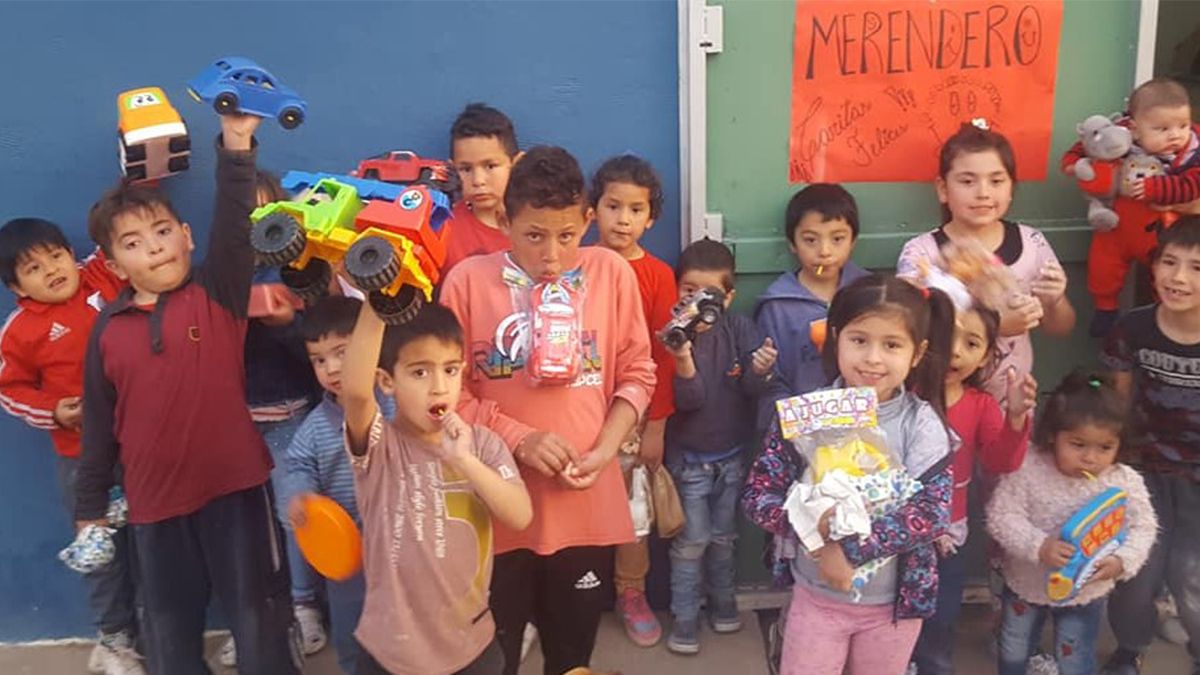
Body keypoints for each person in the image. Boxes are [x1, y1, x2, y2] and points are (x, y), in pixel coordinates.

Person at [73, 113, 302, 674]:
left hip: (237, 494)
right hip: (154, 508)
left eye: (162, 232)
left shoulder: (218, 292)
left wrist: (238, 141)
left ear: (187, 236)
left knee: (258, 619)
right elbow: (100, 425)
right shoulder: (108, 330)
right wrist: (88, 511)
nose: (154, 248)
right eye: (133, 242)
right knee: (171, 634)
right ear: (112, 263)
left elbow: (235, 218)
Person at [439, 145, 656, 674]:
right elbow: (450, 397)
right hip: (496, 507)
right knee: (496, 652)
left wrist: (606, 449)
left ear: (586, 220)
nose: (552, 255)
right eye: (534, 235)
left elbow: (637, 372)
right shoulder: (468, 283)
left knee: (571, 652)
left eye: (566, 235)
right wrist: (519, 438)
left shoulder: (609, 275)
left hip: (583, 503)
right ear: (506, 223)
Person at [742, 274, 956, 675]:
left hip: (893, 606)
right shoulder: (806, 415)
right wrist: (811, 527)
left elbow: (931, 512)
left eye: (891, 345)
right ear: (835, 338)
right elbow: (758, 495)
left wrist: (850, 550)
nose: (873, 358)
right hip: (816, 598)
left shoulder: (921, 426)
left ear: (917, 352)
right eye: (859, 340)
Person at [340, 297, 532, 674]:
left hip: (471, 646)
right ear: (387, 381)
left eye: (449, 370)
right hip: (391, 652)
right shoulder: (381, 446)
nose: (438, 387)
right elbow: (356, 394)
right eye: (419, 372)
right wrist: (376, 300)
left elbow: (520, 514)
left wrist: (464, 460)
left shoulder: (482, 444)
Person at [0, 218, 139, 674]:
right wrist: (55, 411)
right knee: (102, 554)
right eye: (33, 268)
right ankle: (115, 641)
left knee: (158, 541)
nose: (52, 269)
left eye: (56, 256)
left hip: (144, 445)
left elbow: (123, 224)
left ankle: (165, 627)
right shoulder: (20, 331)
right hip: (81, 459)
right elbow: (10, 389)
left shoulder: (100, 275)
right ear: (15, 286)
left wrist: (145, 162)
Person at [221, 171, 324, 668]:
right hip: (234, 425)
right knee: (243, 526)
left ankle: (303, 606)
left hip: (290, 420)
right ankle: (254, 620)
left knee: (294, 516)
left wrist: (288, 325)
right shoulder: (215, 280)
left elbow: (321, 358)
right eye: (244, 216)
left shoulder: (299, 274)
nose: (254, 227)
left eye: (266, 216)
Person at [987, 372, 1157, 675]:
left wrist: (1122, 561)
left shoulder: (1123, 481)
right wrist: (1038, 546)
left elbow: (1144, 527)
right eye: (1078, 444)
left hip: (1085, 592)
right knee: (1013, 648)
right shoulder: (1027, 467)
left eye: (1104, 447)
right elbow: (1001, 515)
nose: (1090, 458)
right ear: (1054, 435)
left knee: (1075, 658)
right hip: (1027, 584)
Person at [897, 122, 1076, 403]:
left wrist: (1053, 301)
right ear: (943, 189)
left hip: (1010, 401)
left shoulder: (1032, 243)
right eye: (967, 181)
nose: (983, 192)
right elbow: (908, 323)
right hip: (941, 401)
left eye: (996, 181)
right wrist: (998, 325)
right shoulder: (923, 252)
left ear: (1011, 188)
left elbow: (1060, 328)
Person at [662, 239, 777, 654]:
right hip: (689, 457)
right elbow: (688, 402)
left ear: (728, 297)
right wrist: (683, 359)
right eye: (688, 291)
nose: (697, 301)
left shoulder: (740, 328)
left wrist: (759, 370)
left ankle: (724, 605)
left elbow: (748, 388)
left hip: (730, 455)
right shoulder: (674, 334)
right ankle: (686, 616)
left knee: (724, 536)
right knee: (692, 541)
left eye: (708, 294)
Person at [910, 304, 1036, 674]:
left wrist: (1015, 418)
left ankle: (932, 666)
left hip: (948, 532)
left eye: (971, 343)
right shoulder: (903, 395)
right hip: (895, 530)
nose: (956, 352)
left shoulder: (980, 406)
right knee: (892, 613)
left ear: (985, 358)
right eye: (946, 338)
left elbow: (1001, 462)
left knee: (941, 615)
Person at [1100, 217, 1200, 675]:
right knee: (1136, 570)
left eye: (1196, 267)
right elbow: (1117, 401)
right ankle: (1130, 649)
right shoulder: (1134, 327)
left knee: (1191, 574)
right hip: (1146, 470)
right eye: (1170, 262)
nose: (1178, 278)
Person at [589, 153, 675, 647]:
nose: (623, 219)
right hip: (578, 412)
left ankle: (631, 591)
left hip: (635, 417)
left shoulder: (658, 276)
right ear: (593, 210)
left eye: (635, 209)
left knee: (632, 511)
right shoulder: (576, 263)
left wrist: (657, 424)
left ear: (651, 217)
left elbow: (664, 357)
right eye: (612, 205)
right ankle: (570, 592)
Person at [1061, 78, 1200, 336]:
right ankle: (1105, 310)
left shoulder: (1193, 151)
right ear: (1134, 129)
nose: (1175, 135)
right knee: (1103, 264)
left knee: (1167, 274)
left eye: (1183, 125)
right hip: (1119, 225)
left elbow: (1193, 185)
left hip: (1162, 233)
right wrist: (1074, 161)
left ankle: (1166, 318)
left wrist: (1157, 189)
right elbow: (1090, 141)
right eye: (1162, 129)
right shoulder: (1120, 134)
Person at [281, 295, 372, 673]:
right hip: (347, 557)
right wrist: (299, 496)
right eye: (319, 359)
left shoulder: (399, 406)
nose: (332, 367)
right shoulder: (316, 427)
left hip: (404, 549)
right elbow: (297, 465)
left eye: (342, 352)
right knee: (353, 635)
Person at [754, 183, 868, 429]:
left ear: (853, 240)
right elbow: (772, 382)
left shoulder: (870, 295)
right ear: (792, 243)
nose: (824, 252)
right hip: (801, 429)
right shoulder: (777, 306)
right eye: (810, 240)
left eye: (838, 239)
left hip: (864, 425)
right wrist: (793, 424)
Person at [444, 103, 522, 274]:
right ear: (452, 170)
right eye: (466, 169)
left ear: (516, 165)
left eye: (490, 166)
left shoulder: (533, 226)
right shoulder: (444, 228)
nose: (478, 181)